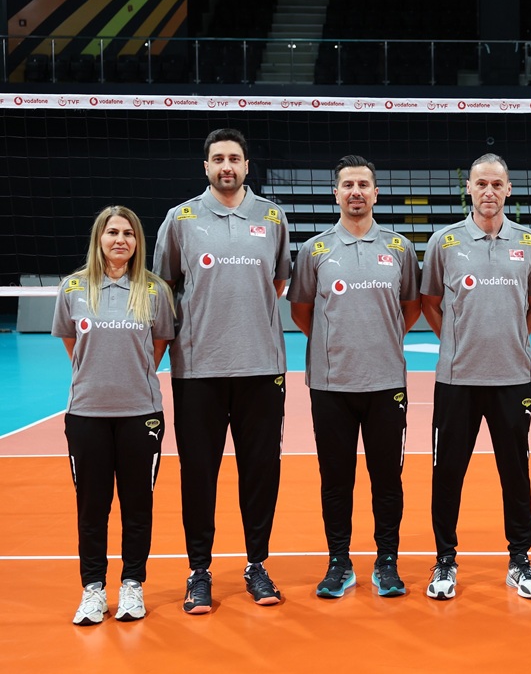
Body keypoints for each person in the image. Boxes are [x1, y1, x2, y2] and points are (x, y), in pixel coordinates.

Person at [154, 128, 291, 613]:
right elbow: (164, 286)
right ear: (206, 167)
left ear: (247, 166)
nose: (226, 166)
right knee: (199, 474)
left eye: (234, 158)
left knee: (260, 472)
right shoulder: (181, 219)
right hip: (198, 370)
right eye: (218, 159)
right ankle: (199, 571)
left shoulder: (272, 216)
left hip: (261, 367)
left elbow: (278, 281)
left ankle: (256, 565)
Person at [289, 155, 421, 599]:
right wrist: (336, 341)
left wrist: (380, 338)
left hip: (386, 383)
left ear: (376, 193)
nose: (356, 192)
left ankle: (387, 562)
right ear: (336, 194)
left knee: (387, 480)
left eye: (363, 184)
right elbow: (302, 311)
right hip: (331, 385)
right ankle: (339, 562)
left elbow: (410, 307)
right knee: (335, 480)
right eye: (348, 185)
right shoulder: (315, 250)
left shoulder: (399, 248)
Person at [420, 153, 531, 600]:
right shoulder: (444, 241)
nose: (489, 191)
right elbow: (430, 301)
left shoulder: (530, 243)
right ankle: (445, 560)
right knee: (447, 473)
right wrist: (456, 340)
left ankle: (519, 560)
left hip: (512, 377)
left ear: (508, 189)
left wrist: (512, 336)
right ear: (469, 189)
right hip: (457, 379)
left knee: (516, 473)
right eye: (481, 184)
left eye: (497, 184)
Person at [52, 206, 175, 625]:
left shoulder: (154, 290)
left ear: (138, 242)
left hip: (141, 414)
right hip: (86, 413)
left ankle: (132, 585)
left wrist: (130, 376)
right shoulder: (73, 288)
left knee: (137, 507)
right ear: (99, 239)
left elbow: (158, 346)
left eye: (128, 233)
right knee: (92, 508)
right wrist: (98, 377)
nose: (120, 240)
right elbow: (73, 345)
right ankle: (93, 589)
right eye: (112, 232)